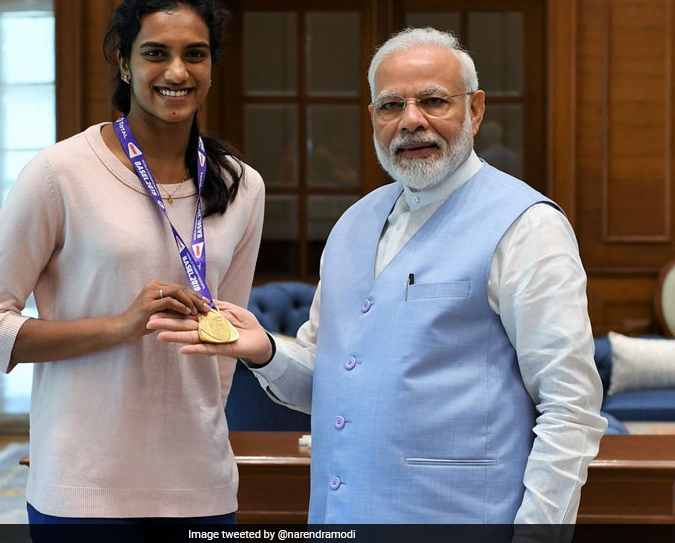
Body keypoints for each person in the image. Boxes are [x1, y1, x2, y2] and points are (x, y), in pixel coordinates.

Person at [149, 27, 607, 524]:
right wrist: (265, 351)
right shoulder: (353, 224)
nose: (411, 121)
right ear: (373, 118)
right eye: (391, 106)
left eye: (433, 101)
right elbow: (332, 383)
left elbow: (571, 408)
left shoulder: (527, 226)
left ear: (475, 110)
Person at [0, 0, 264, 525]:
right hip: (82, 487)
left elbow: (225, 337)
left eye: (195, 54)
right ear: (124, 63)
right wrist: (120, 326)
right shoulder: (59, 173)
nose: (177, 72)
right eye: (155, 53)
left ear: (212, 66)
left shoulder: (242, 185)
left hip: (200, 485)